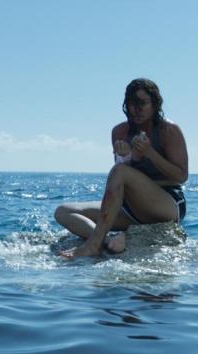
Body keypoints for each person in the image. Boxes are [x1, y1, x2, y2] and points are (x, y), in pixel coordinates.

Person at [55, 78, 188, 258]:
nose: (136, 109)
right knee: (64, 211)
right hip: (131, 208)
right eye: (131, 104)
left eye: (142, 103)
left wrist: (149, 153)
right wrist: (126, 158)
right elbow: (122, 179)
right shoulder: (119, 132)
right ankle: (106, 241)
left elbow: (181, 176)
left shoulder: (169, 131)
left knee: (120, 171)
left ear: (155, 104)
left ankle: (93, 245)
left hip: (166, 205)